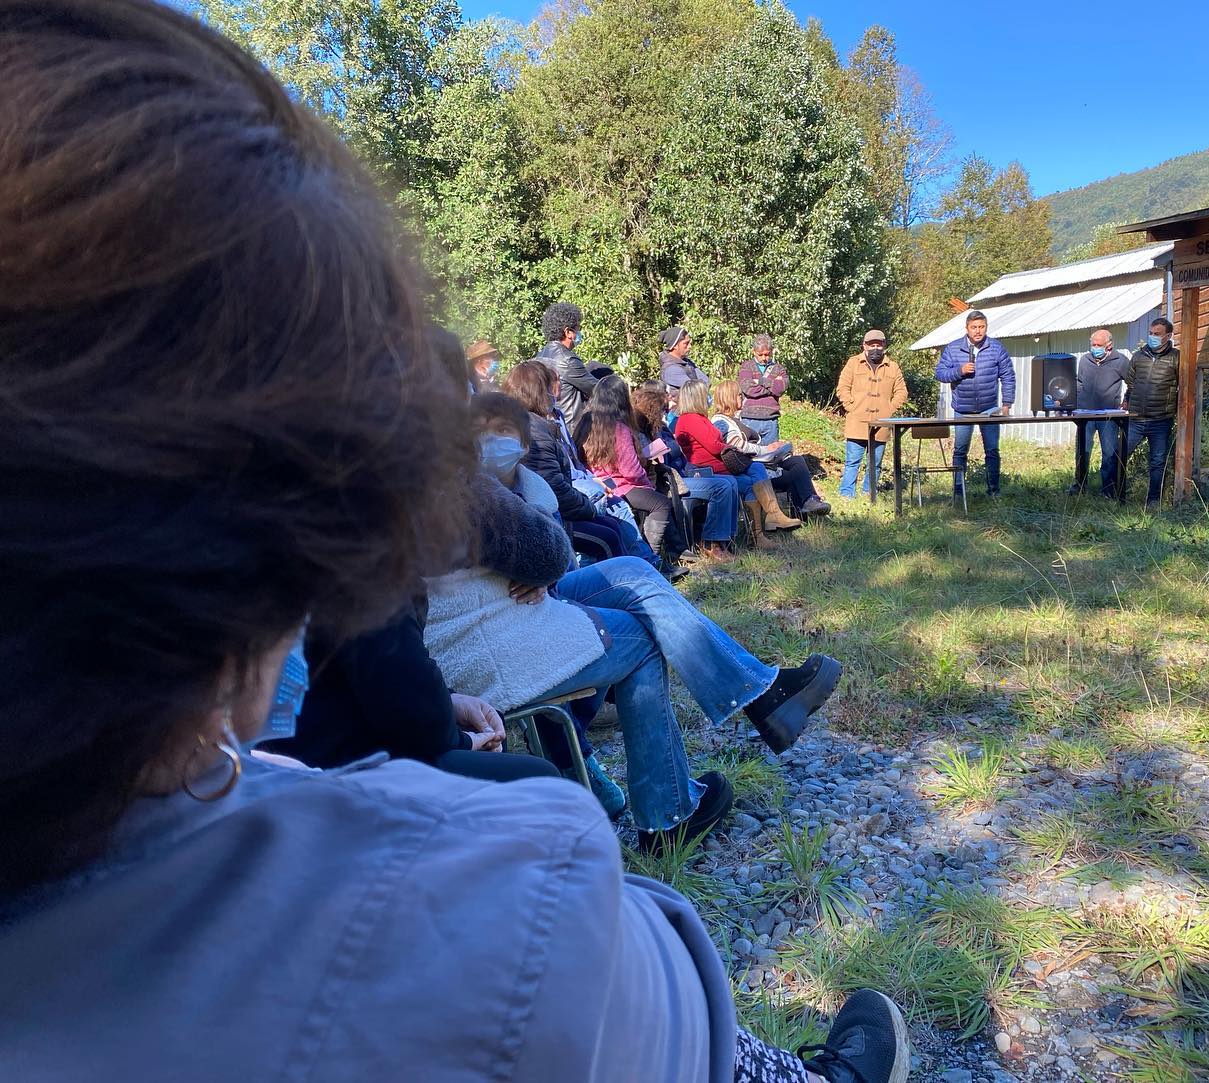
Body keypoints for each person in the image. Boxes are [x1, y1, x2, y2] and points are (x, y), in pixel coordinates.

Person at [0, 5, 910, 1081]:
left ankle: (714, 733)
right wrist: (580, 497)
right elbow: (518, 566)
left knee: (643, 563)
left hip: (487, 646)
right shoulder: (510, 901)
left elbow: (553, 536)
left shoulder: (500, 471)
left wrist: (608, 495)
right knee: (640, 600)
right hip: (476, 666)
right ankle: (703, 757)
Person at [428, 393, 846, 845]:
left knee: (632, 572)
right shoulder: (452, 477)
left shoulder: (427, 468)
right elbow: (547, 550)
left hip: (488, 612)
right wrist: (539, 560)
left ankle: (760, 695)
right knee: (644, 638)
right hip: (482, 641)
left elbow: (553, 554)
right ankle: (668, 813)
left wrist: (540, 563)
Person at [262, 595, 564, 786]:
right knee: (539, 780)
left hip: (318, 749)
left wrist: (449, 702)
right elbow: (417, 717)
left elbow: (387, 678)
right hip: (331, 771)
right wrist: (463, 739)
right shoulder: (367, 576)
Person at [504, 359, 658, 567]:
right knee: (608, 535)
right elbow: (555, 487)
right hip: (548, 517)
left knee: (611, 525)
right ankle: (629, 580)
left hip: (559, 505)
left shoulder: (540, 425)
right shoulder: (534, 432)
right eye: (549, 386)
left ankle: (639, 571)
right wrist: (589, 508)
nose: (554, 392)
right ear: (538, 391)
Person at [674, 380, 803, 543]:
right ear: (697, 397)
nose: (708, 398)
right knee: (752, 472)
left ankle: (759, 533)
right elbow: (714, 446)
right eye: (704, 394)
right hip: (707, 472)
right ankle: (763, 526)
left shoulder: (701, 418)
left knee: (752, 477)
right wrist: (731, 448)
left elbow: (716, 444)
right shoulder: (690, 419)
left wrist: (728, 448)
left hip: (719, 468)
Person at [575, 375, 679, 561]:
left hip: (595, 486)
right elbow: (631, 470)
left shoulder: (584, 423)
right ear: (621, 399)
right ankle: (651, 558)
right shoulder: (619, 428)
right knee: (661, 503)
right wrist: (647, 483)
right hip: (622, 487)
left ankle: (660, 554)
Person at [633, 386, 742, 563]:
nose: (665, 413)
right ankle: (711, 543)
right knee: (721, 487)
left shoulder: (662, 428)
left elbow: (678, 455)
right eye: (662, 410)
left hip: (685, 472)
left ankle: (726, 540)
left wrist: (691, 468)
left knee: (730, 481)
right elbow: (653, 464)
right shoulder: (642, 433)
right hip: (671, 481)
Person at [712, 379, 830, 518]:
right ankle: (805, 506)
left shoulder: (733, 419)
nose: (742, 398)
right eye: (739, 395)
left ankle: (807, 504)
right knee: (795, 473)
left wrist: (772, 450)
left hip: (758, 462)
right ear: (729, 397)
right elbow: (738, 446)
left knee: (795, 461)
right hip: (750, 470)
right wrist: (767, 449)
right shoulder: (721, 422)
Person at [935, 310, 1015, 498]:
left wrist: (1007, 404)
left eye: (981, 327)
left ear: (986, 327)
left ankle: (994, 491)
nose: (978, 331)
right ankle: (958, 492)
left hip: (990, 408)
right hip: (963, 409)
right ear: (967, 328)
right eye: (974, 327)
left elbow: (1008, 376)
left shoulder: (996, 348)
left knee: (992, 450)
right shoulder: (953, 349)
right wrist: (960, 370)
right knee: (960, 450)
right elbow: (940, 373)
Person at [836, 329, 909, 499]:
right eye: (871, 345)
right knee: (852, 462)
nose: (875, 348)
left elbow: (902, 392)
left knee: (875, 463)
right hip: (857, 422)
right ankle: (846, 494)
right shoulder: (853, 363)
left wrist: (889, 409)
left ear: (884, 345)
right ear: (864, 345)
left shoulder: (893, 366)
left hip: (881, 423)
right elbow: (842, 387)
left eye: (879, 344)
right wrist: (851, 406)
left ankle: (870, 494)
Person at [1123, 317, 1181, 509]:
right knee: (1119, 455)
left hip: (1160, 420)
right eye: (1151, 333)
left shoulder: (1176, 357)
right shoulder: (1139, 356)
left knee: (1157, 462)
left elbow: (1183, 385)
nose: (1153, 337)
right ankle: (1116, 495)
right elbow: (1130, 382)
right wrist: (1127, 400)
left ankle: (1153, 501)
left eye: (1157, 334)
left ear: (1168, 336)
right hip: (1135, 419)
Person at [535, 301, 611, 431]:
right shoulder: (567, 359)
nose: (579, 333)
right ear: (568, 332)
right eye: (577, 329)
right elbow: (597, 389)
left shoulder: (540, 355)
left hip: (552, 426)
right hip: (572, 428)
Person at [1071, 329, 1128, 499]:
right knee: (1082, 451)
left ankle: (1108, 490)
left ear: (1109, 346)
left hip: (1108, 416)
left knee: (1109, 453)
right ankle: (1079, 486)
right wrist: (1076, 404)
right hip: (1085, 414)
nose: (1095, 348)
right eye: (1093, 345)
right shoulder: (1085, 360)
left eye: (1099, 345)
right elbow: (1079, 383)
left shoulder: (1121, 361)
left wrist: (1127, 401)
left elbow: (1133, 382)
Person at [738, 333, 789, 445]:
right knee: (749, 456)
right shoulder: (746, 366)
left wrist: (760, 381)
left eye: (767, 355)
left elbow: (781, 388)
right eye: (760, 355)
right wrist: (772, 385)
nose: (763, 358)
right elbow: (748, 389)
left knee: (771, 457)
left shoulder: (778, 368)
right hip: (749, 419)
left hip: (771, 420)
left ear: (771, 351)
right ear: (753, 352)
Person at [659, 324, 710, 393]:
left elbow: (706, 381)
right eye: (686, 343)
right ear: (675, 346)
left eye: (690, 343)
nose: (690, 346)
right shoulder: (671, 369)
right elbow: (694, 389)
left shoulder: (686, 362)